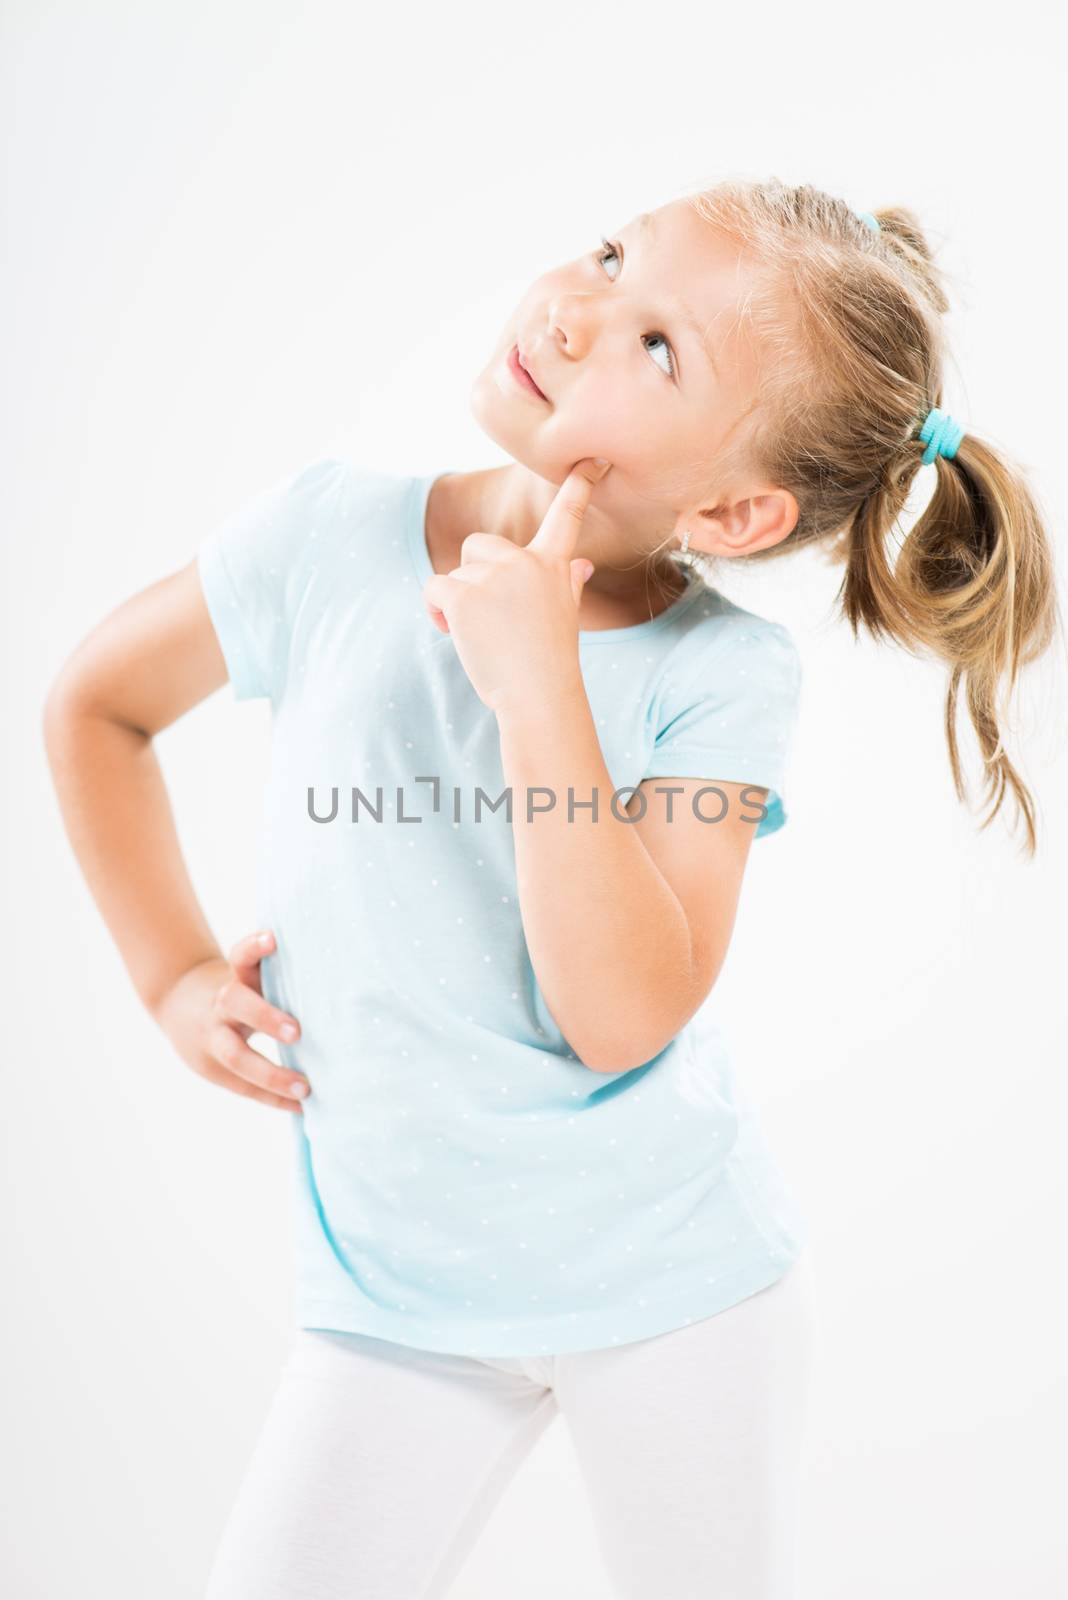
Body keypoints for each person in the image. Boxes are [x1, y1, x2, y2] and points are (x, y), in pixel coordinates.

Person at [42, 176, 1060, 1599]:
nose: (578, 310)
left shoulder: (723, 677)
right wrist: (169, 973)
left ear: (740, 510)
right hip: (394, 1307)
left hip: (672, 1302)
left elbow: (622, 1016)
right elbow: (94, 705)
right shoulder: (326, 541)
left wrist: (539, 689)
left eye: (658, 346)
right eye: (609, 254)